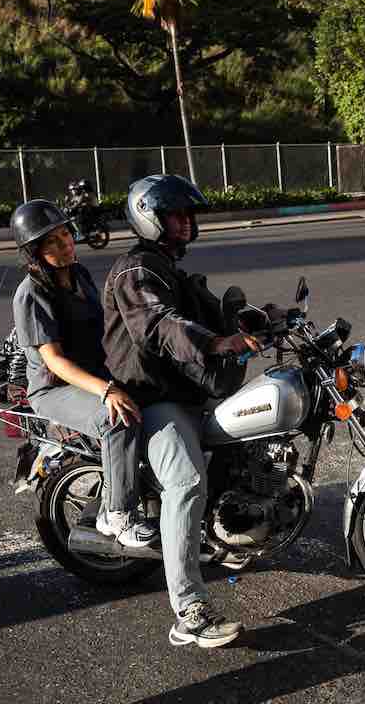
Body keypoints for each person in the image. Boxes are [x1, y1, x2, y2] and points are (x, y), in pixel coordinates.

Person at [102, 174, 263, 649]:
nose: (185, 223)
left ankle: (229, 534)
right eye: (175, 215)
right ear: (150, 218)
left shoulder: (172, 269)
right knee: (186, 480)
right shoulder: (136, 272)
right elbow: (159, 326)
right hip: (152, 395)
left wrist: (266, 320)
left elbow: (211, 312)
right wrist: (214, 342)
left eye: (188, 215)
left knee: (253, 430)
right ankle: (188, 611)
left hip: (189, 387)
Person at [9, 200, 156, 549]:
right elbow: (55, 361)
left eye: (65, 235)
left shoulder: (80, 274)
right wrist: (107, 390)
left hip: (94, 373)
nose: (64, 245)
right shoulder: (31, 294)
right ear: (34, 251)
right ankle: (117, 514)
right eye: (52, 242)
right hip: (55, 388)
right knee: (118, 418)